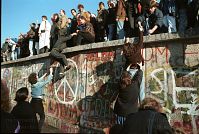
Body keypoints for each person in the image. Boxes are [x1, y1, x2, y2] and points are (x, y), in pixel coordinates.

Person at [28, 67, 53, 132]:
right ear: (35, 78)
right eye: (36, 76)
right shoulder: (38, 85)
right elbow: (47, 81)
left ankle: (32, 127)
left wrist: (45, 74)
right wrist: (50, 72)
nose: (37, 76)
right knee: (42, 116)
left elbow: (39, 79)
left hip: (32, 101)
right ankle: (38, 130)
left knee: (33, 116)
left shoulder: (33, 84)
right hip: (38, 103)